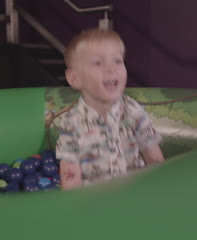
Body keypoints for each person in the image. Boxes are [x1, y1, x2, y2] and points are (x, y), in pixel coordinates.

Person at [56, 28, 165, 191]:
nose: (111, 69)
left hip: (135, 193)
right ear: (75, 78)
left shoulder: (132, 111)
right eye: (98, 63)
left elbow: (155, 160)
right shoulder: (71, 123)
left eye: (118, 61)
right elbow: (70, 177)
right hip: (95, 202)